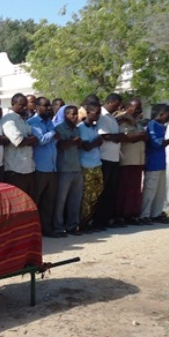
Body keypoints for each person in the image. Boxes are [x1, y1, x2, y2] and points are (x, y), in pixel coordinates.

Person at [28, 97, 59, 236]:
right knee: (36, 200)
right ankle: (33, 230)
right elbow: (41, 140)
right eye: (45, 106)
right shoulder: (32, 122)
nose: (48, 108)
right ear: (37, 107)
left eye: (49, 105)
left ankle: (47, 229)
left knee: (49, 200)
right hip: (40, 168)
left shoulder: (49, 122)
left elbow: (52, 139)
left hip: (52, 167)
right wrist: (53, 133)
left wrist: (51, 134)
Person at [95, 93, 127, 227]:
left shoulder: (112, 118)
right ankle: (98, 220)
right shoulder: (102, 116)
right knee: (103, 190)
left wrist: (118, 136)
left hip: (114, 158)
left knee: (111, 190)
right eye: (116, 105)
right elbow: (105, 136)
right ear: (110, 102)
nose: (117, 108)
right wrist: (120, 136)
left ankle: (106, 219)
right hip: (105, 158)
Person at [115, 99, 148, 225]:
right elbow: (126, 137)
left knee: (135, 190)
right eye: (136, 107)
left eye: (140, 108)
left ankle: (132, 215)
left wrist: (140, 136)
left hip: (138, 160)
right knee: (124, 189)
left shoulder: (137, 123)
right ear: (129, 107)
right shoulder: (121, 120)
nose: (139, 110)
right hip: (127, 160)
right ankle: (120, 215)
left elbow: (145, 136)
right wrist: (140, 136)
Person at [53, 105, 84, 236]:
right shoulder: (59, 128)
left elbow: (80, 145)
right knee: (60, 200)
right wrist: (72, 141)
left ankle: (73, 226)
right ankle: (58, 227)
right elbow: (60, 145)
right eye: (73, 114)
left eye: (76, 114)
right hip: (64, 168)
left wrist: (78, 142)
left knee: (75, 200)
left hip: (76, 167)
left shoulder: (77, 129)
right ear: (66, 115)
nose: (75, 117)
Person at [1, 93, 37, 196]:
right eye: (21, 105)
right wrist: (30, 140)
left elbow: (34, 138)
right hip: (15, 169)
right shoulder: (9, 119)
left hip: (28, 167)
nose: (25, 107)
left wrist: (30, 139)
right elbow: (19, 141)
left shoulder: (22, 120)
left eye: (25, 105)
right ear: (13, 104)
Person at [140, 105, 169, 224]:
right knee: (150, 190)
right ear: (162, 114)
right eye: (168, 115)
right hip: (153, 163)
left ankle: (156, 213)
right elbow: (156, 143)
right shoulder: (152, 124)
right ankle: (144, 214)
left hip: (161, 162)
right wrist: (168, 141)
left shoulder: (162, 126)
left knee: (160, 192)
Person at [77, 102, 105, 231]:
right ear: (88, 113)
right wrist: (97, 141)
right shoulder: (81, 128)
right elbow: (86, 146)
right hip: (86, 165)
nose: (98, 115)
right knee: (87, 196)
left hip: (96, 164)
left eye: (99, 113)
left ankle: (90, 220)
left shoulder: (94, 127)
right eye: (96, 113)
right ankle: (83, 223)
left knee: (97, 193)